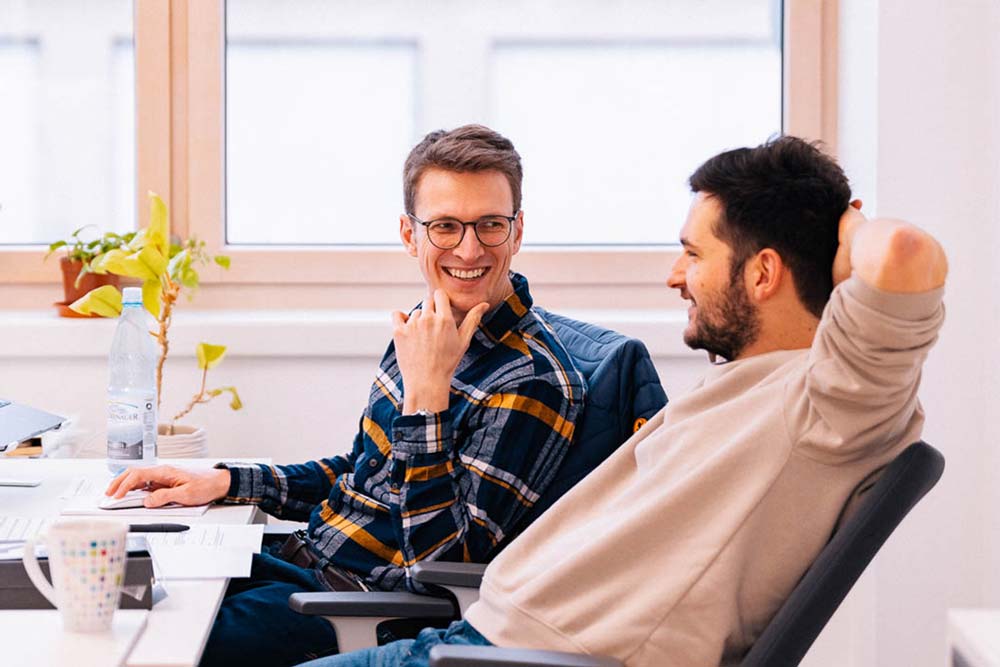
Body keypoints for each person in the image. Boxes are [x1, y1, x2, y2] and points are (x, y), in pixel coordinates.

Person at [300, 136, 948, 667]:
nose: (674, 275)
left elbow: (904, 253)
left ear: (762, 273)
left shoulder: (827, 404)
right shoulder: (751, 385)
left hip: (508, 658)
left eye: (693, 254)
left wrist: (841, 221)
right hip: (475, 639)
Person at [104, 125, 586, 667]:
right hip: (306, 562)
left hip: (358, 606)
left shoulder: (532, 381)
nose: (469, 249)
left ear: (516, 231)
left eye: (490, 225)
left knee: (138, 649)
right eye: (445, 226)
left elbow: (445, 565)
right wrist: (226, 480)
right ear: (410, 235)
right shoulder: (425, 328)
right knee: (101, 580)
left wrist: (428, 398)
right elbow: (362, 471)